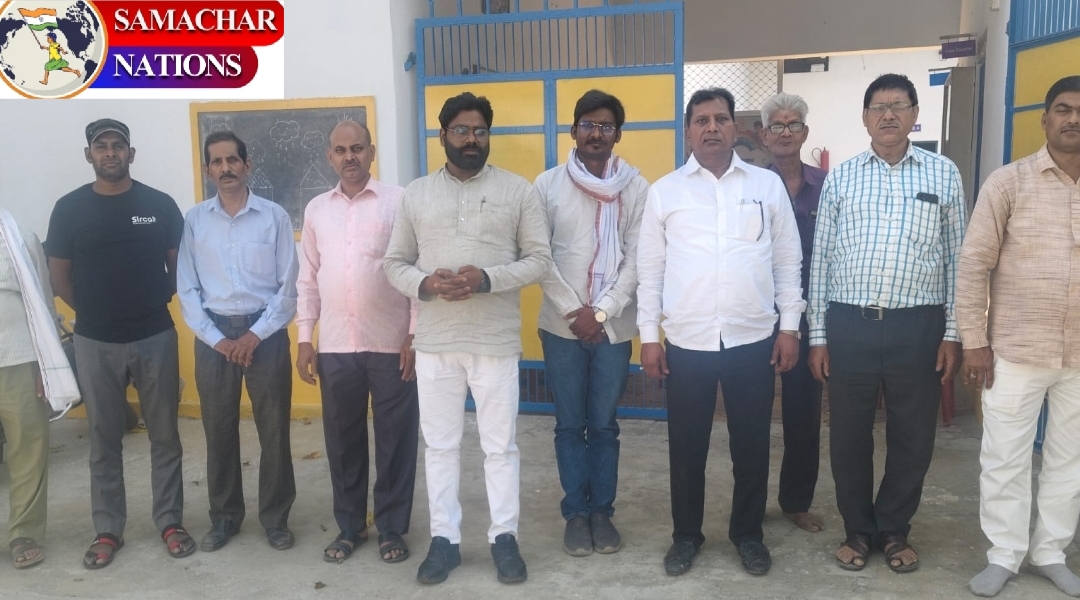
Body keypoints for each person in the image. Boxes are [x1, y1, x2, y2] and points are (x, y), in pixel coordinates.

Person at [384, 92, 553, 585]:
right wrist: (426, 284)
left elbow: (540, 259)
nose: (471, 139)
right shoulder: (415, 195)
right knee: (440, 446)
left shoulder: (518, 191)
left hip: (494, 342)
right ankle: (445, 540)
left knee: (500, 447)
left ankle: (504, 538)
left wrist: (487, 279)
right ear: (443, 136)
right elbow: (394, 263)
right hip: (435, 343)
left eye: (480, 130)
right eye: (461, 130)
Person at [637, 88, 804, 577]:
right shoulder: (665, 191)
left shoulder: (765, 186)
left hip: (751, 340)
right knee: (686, 448)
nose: (712, 127)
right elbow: (650, 270)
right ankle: (686, 536)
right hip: (687, 342)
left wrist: (789, 327)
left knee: (751, 445)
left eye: (721, 119)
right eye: (702, 120)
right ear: (688, 131)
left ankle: (748, 534)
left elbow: (787, 260)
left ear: (736, 128)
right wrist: (649, 336)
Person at [807, 73, 966, 573]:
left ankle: (894, 529)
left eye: (899, 105)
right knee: (848, 435)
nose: (888, 115)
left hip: (918, 327)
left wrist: (953, 332)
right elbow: (821, 261)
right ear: (865, 117)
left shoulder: (944, 174)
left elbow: (958, 259)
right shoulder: (842, 177)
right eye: (878, 106)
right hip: (849, 324)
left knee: (913, 436)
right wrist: (818, 336)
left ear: (915, 114)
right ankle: (858, 529)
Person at [47, 118, 195, 568]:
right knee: (103, 439)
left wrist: (151, 301)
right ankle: (108, 529)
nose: (110, 153)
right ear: (89, 155)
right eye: (101, 146)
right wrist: (94, 312)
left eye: (118, 146)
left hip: (155, 335)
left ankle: (170, 522)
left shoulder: (159, 204)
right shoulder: (69, 208)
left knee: (165, 436)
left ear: (131, 154)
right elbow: (59, 276)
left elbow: (179, 267)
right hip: (95, 341)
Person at [961, 75, 1080, 598]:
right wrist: (974, 340)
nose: (1073, 119)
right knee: (1005, 457)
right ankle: (1004, 555)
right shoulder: (1009, 183)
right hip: (1015, 348)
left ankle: (1051, 552)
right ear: (1045, 118)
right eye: (1063, 109)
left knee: (1069, 461)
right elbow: (974, 264)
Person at [296, 120, 420, 565]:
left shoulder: (399, 201)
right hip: (335, 346)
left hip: (391, 343)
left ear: (371, 152)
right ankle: (350, 527)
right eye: (340, 150)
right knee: (343, 441)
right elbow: (308, 278)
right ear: (329, 157)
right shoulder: (316, 209)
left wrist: (415, 333)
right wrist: (305, 338)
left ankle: (391, 528)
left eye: (357, 148)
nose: (349, 157)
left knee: (395, 439)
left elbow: (415, 268)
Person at [535, 90, 648, 557]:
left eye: (606, 126)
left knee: (603, 426)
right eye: (588, 125)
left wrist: (600, 312)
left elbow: (639, 257)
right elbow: (539, 256)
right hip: (560, 326)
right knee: (568, 425)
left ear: (617, 134)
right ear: (573, 131)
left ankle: (601, 512)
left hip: (613, 328)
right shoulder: (546, 186)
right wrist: (575, 311)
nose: (596, 133)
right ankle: (575, 515)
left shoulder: (636, 188)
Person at [176, 130, 299, 553]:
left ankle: (276, 519)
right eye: (217, 161)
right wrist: (217, 339)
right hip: (214, 339)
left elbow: (288, 287)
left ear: (248, 165)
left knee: (274, 431)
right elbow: (187, 287)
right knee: (219, 431)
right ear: (208, 169)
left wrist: (253, 335)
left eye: (233, 160)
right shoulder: (195, 220)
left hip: (266, 335)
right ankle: (225, 518)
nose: (226, 168)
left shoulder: (273, 217)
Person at [758, 92, 827, 534]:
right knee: (752, 412)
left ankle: (795, 501)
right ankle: (750, 502)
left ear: (805, 132)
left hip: (809, 315)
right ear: (763, 136)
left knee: (804, 412)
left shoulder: (829, 184)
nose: (786, 132)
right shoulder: (751, 185)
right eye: (777, 126)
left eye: (794, 124)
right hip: (758, 314)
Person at [0, 208, 79, 569]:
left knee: (28, 447)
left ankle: (24, 533)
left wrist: (46, 365)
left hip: (21, 358)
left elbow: (43, 299)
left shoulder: (20, 234)